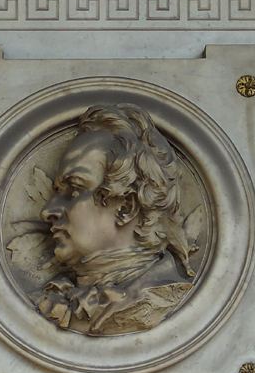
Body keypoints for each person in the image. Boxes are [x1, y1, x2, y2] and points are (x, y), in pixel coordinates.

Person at [36, 104, 197, 335]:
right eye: (57, 192)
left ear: (126, 207)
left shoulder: (160, 298)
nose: (47, 211)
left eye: (73, 191)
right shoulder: (53, 297)